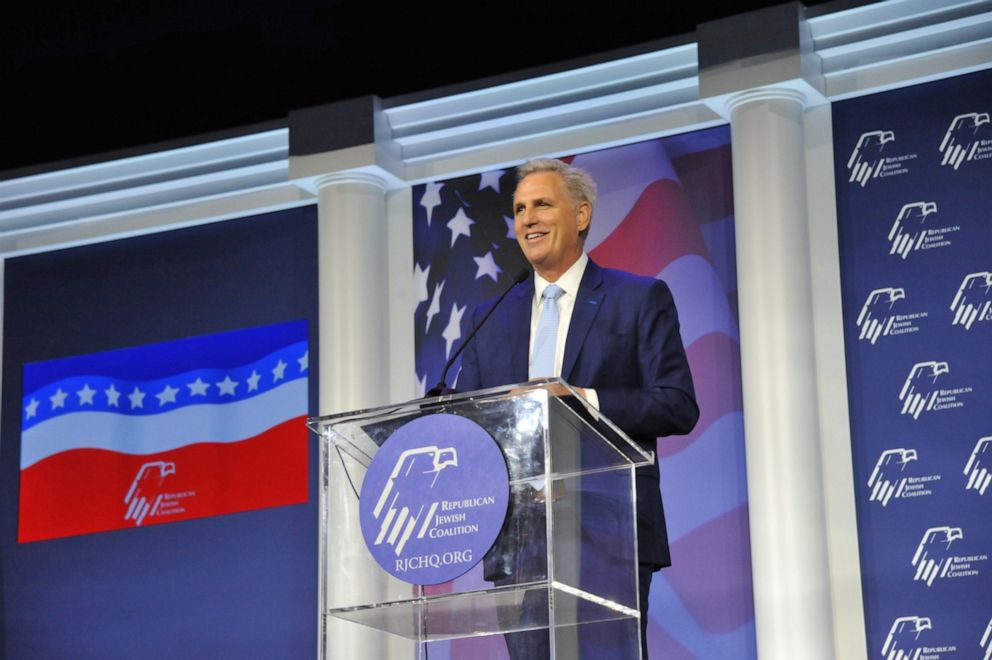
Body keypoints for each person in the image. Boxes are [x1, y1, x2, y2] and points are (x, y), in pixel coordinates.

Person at [458, 158, 699, 658]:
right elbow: (468, 422)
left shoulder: (637, 299)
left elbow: (676, 405)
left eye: (542, 204)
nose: (527, 219)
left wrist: (581, 400)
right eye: (520, 209)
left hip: (607, 533)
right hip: (518, 540)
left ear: (582, 214)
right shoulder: (490, 316)